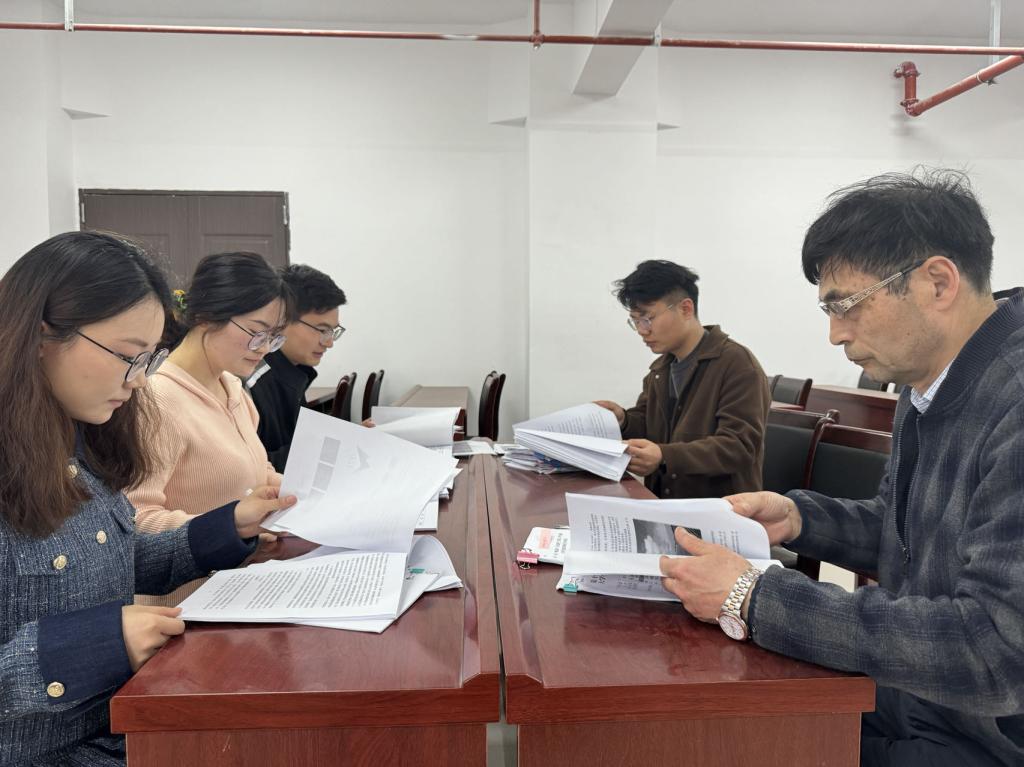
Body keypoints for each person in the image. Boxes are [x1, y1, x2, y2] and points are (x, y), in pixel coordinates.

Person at [658, 170, 1024, 766]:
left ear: (937, 282)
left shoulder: (1014, 400)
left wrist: (755, 596)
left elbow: (996, 651)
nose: (834, 334)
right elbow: (904, 530)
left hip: (989, 732)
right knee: (710, 715)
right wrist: (797, 518)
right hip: (920, 694)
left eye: (845, 305)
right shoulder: (927, 378)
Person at [0, 231, 294, 765]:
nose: (139, 382)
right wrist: (90, 645)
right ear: (42, 334)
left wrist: (226, 529)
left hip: (129, 722)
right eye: (127, 356)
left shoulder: (81, 441)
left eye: (148, 360)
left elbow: (110, 560)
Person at [127, 251, 293, 605]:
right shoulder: (156, 400)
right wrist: (230, 527)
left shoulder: (233, 388)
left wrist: (299, 491)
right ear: (206, 316)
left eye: (274, 337)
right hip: (185, 606)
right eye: (256, 333)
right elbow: (136, 522)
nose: (265, 349)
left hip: (239, 590)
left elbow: (255, 473)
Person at [595, 260, 770, 499]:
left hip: (719, 510)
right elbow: (649, 426)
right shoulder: (661, 369)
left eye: (647, 318)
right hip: (664, 506)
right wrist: (623, 420)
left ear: (686, 309)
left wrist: (664, 456)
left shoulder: (737, 364)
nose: (642, 330)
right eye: (635, 321)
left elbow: (739, 447)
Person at [247, 264, 347, 471]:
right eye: (322, 330)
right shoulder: (252, 380)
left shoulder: (295, 372)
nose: (329, 342)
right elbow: (251, 469)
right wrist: (330, 448)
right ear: (282, 320)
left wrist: (347, 440)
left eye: (333, 331)